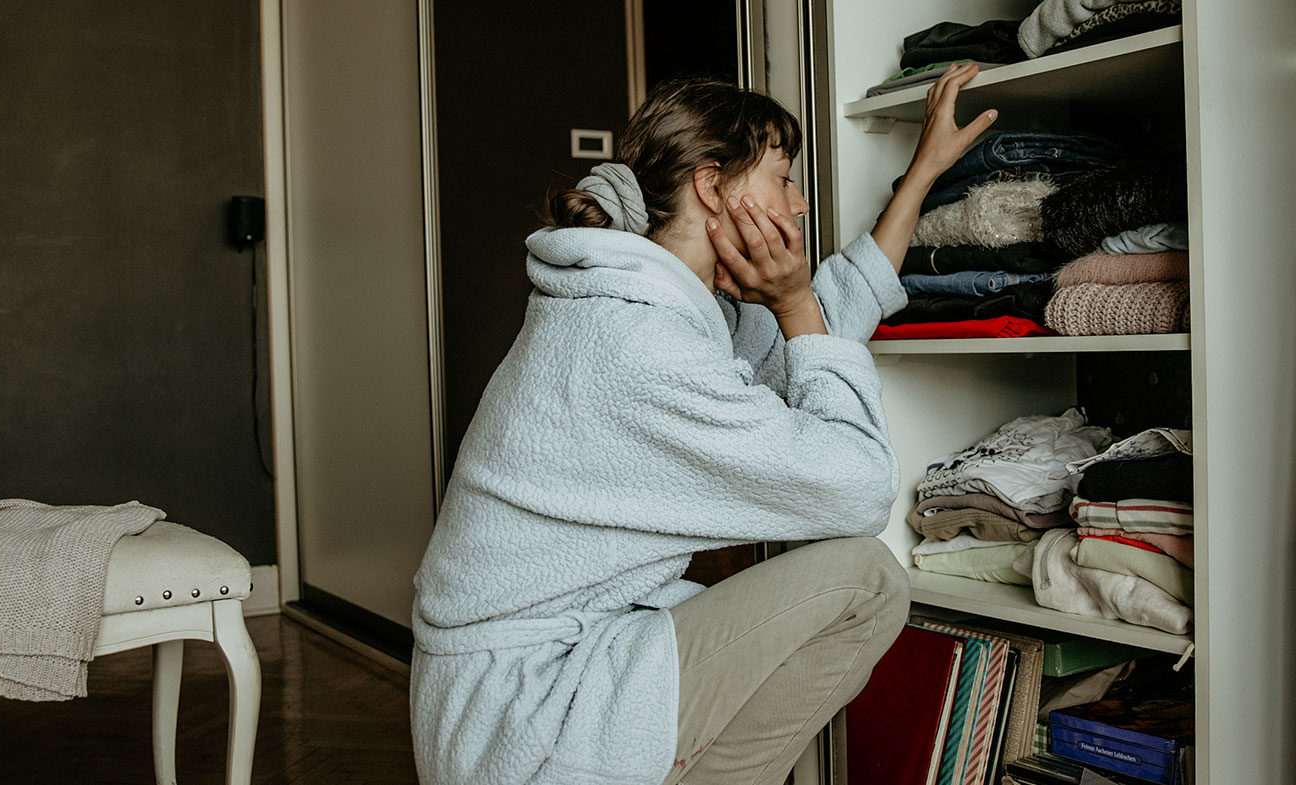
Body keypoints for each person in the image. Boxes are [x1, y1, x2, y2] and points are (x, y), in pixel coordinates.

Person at [411, 65, 997, 785]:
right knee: (868, 581)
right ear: (712, 186)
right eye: (783, 178)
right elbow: (858, 487)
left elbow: (826, 320)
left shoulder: (647, 305)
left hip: (501, 696)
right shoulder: (640, 343)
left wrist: (922, 175)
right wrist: (793, 306)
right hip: (522, 719)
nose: (799, 202)